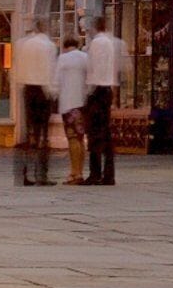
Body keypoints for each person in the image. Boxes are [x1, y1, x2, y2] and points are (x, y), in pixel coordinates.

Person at [11, 17, 59, 186]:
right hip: (42, 90)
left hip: (27, 89)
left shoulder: (22, 44)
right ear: (45, 28)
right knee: (43, 133)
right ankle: (41, 174)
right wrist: (52, 92)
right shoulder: (49, 46)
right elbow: (50, 70)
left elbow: (16, 67)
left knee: (30, 131)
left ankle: (24, 173)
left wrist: (20, 85)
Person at [83, 17, 128, 186]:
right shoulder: (110, 43)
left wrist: (88, 92)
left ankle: (95, 173)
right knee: (106, 134)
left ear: (96, 27)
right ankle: (109, 174)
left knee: (94, 134)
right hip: (107, 89)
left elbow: (93, 68)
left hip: (98, 90)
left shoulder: (97, 43)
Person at [55, 27, 94, 185]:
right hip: (82, 103)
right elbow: (91, 79)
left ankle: (74, 172)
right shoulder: (85, 57)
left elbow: (56, 81)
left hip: (68, 103)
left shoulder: (63, 59)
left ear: (64, 45)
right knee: (80, 138)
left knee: (72, 139)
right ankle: (80, 171)